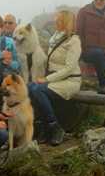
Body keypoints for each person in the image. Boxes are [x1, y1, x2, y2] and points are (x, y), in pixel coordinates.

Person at [27, 10, 82, 146]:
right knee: (28, 87)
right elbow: (51, 61)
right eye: (56, 19)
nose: (56, 22)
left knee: (38, 89)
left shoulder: (74, 41)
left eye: (59, 20)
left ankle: (55, 126)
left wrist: (47, 79)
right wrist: (35, 53)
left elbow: (69, 68)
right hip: (56, 79)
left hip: (70, 81)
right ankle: (42, 125)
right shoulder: (54, 38)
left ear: (67, 23)